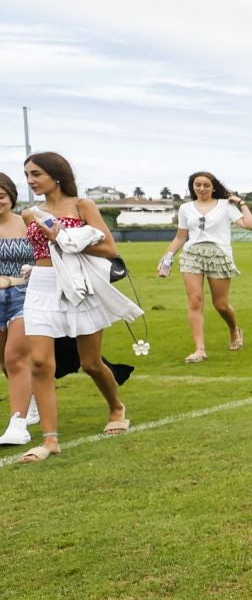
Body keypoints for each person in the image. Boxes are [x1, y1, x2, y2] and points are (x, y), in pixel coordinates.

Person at [15, 152, 134, 463]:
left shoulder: (83, 206)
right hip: (40, 285)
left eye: (36, 174)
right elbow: (39, 250)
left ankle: (116, 407)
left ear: (57, 175)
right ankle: (50, 440)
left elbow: (109, 248)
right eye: (27, 174)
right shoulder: (30, 213)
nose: (31, 180)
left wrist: (65, 238)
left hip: (79, 285)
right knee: (40, 363)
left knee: (91, 363)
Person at [158, 171, 252, 362]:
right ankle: (199, 349)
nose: (201, 188)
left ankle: (234, 329)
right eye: (197, 185)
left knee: (220, 304)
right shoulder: (185, 208)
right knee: (195, 301)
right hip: (192, 255)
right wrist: (167, 259)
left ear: (213, 187)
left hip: (219, 255)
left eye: (206, 185)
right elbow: (180, 236)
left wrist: (241, 203)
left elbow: (249, 225)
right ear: (192, 187)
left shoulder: (226, 206)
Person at [0, 174, 37, 446]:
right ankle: (30, 399)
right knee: (4, 361)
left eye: (1, 195)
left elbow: (48, 254)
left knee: (15, 358)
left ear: (11, 195)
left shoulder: (28, 221)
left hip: (26, 294)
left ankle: (17, 424)